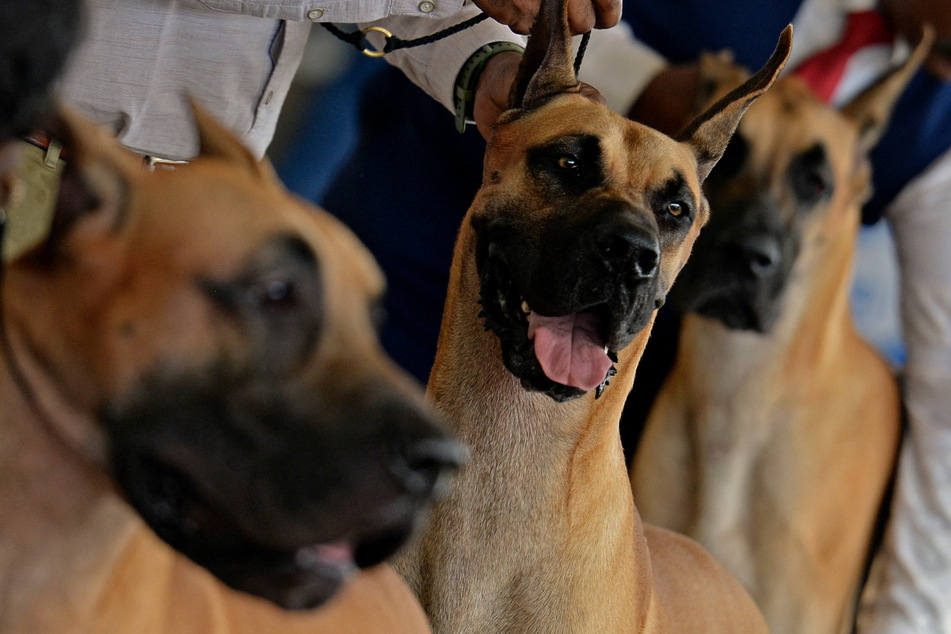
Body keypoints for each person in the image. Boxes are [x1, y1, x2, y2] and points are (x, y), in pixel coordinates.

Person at [282, 0, 951, 630]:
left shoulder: (936, 126)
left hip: (601, 380)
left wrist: (911, 617)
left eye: (672, 212)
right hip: (410, 250)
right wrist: (628, 83)